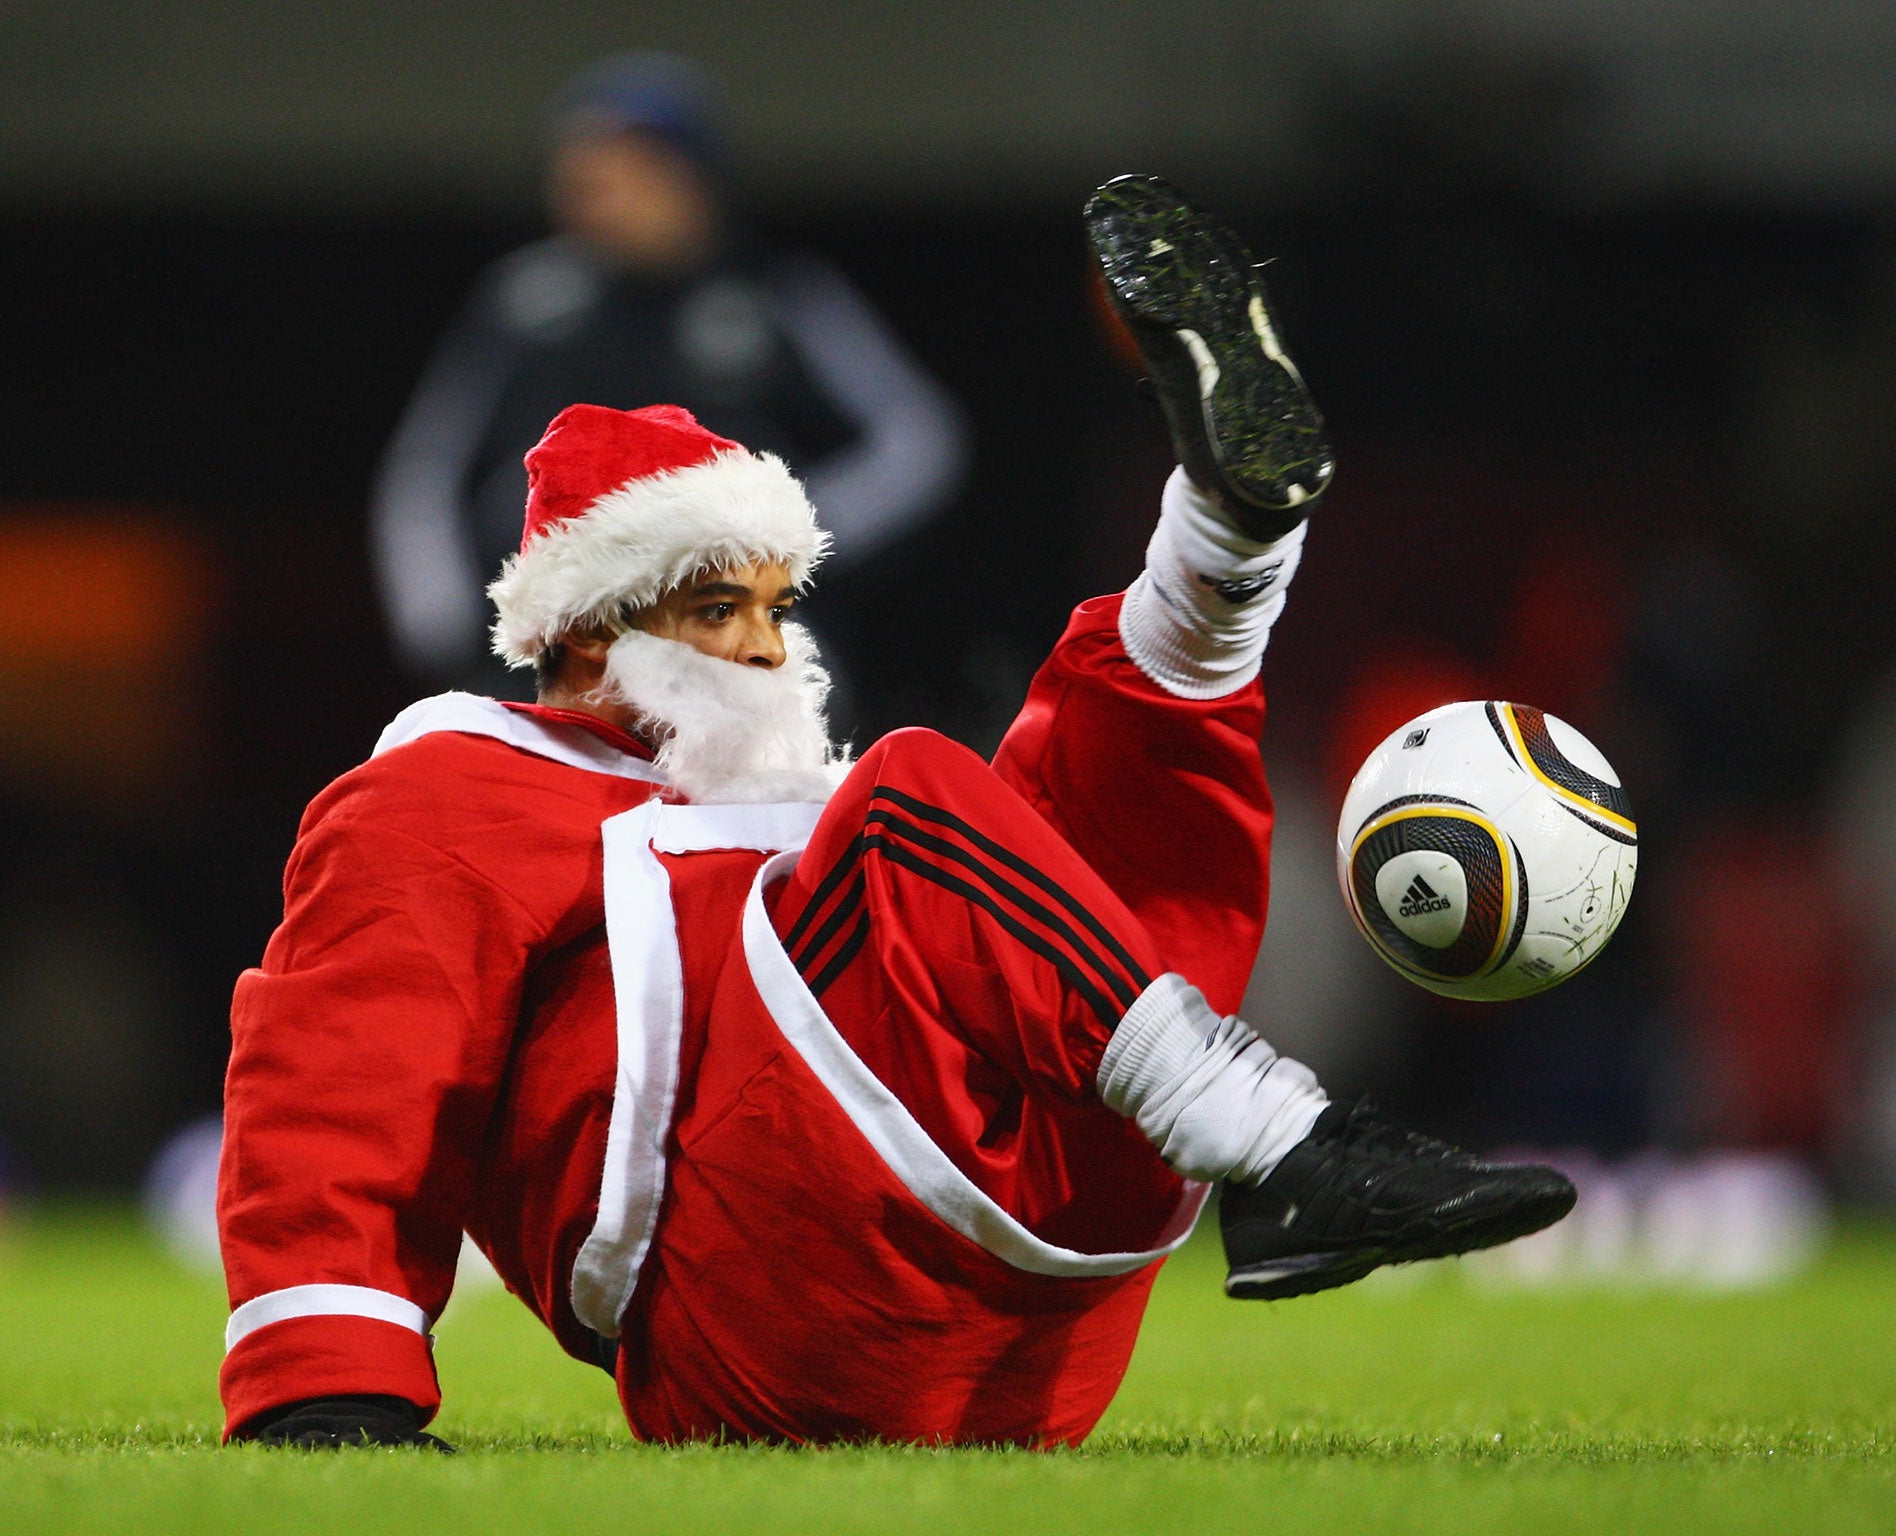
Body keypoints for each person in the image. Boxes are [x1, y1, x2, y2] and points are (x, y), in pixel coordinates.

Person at [219, 175, 1575, 1451]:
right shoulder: (452, 783)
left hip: (1023, 1345)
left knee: (1047, 831)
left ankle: (1223, 554)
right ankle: (1283, 1149)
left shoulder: (767, 792)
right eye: (711, 607)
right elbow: (337, 1069)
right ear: (580, 628)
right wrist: (323, 1376)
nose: (760, 647)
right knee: (917, 796)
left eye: (768, 606)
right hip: (749, 1309)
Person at [370, 51, 967, 698]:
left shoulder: (773, 292)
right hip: (552, 643)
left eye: (626, 166)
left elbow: (918, 439)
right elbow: (428, 470)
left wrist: (802, 533)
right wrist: (441, 613)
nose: (594, 188)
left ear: (692, 176)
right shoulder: (527, 304)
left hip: (735, 638)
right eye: (581, 167)